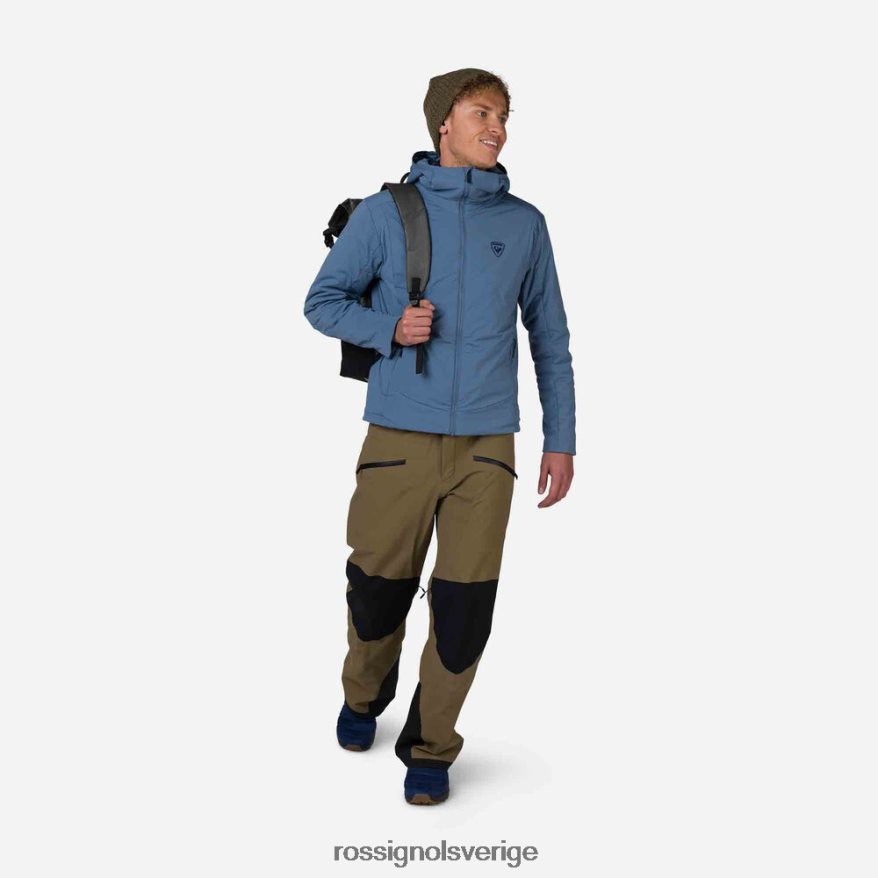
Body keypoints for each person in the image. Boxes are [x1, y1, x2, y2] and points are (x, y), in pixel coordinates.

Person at [303, 68, 576, 805]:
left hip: (488, 448)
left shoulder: (525, 224)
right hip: (399, 438)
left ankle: (431, 746)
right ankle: (364, 695)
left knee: (465, 608)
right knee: (376, 592)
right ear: (444, 123)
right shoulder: (386, 214)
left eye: (505, 115)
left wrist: (561, 438)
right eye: (482, 112)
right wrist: (389, 327)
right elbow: (322, 301)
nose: (499, 127)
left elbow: (549, 338)